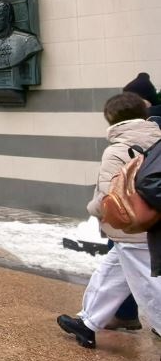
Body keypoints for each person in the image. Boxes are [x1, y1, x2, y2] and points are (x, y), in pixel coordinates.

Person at [57, 93, 161, 348]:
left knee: (150, 287)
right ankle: (88, 322)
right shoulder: (157, 140)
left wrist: (92, 209)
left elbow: (108, 197)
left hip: (131, 228)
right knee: (110, 273)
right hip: (152, 224)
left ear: (111, 118)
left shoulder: (116, 149)